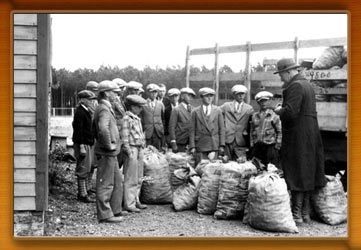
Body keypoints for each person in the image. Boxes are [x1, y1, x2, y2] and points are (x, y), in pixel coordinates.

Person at [273, 58, 326, 224]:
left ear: (288, 71)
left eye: (281, 74)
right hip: (310, 133)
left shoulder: (295, 86)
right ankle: (304, 214)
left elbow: (291, 113)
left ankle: (296, 214)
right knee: (308, 170)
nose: (281, 78)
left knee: (296, 170)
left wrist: (279, 110)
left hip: (298, 135)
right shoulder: (307, 85)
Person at [93, 80, 124, 223]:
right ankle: (105, 214)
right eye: (114, 92)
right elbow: (103, 128)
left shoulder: (105, 107)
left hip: (111, 153)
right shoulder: (104, 108)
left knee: (117, 181)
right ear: (106, 93)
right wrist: (109, 145)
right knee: (106, 183)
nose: (116, 95)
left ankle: (115, 210)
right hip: (107, 152)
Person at [121, 95, 148, 213]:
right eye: (138, 107)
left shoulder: (136, 118)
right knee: (130, 177)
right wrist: (128, 151)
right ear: (132, 107)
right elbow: (125, 137)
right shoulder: (127, 118)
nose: (141, 109)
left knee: (139, 176)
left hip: (139, 148)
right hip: (132, 149)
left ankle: (136, 199)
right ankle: (129, 203)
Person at [72, 90, 97, 203]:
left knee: (88, 167)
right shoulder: (80, 112)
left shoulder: (86, 111)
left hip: (88, 142)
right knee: (83, 168)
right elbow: (78, 131)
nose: (90, 101)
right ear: (82, 99)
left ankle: (86, 190)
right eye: (88, 99)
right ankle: (82, 194)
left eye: (91, 99)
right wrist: (81, 146)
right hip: (83, 143)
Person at [189, 87, 225, 163]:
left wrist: (222, 145)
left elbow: (222, 129)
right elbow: (192, 130)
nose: (209, 98)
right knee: (201, 168)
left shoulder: (218, 110)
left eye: (211, 96)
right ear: (201, 97)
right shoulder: (195, 111)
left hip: (213, 144)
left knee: (212, 169)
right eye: (206, 96)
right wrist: (192, 146)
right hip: (201, 144)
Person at [220, 85, 254, 161]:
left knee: (240, 164)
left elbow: (252, 124)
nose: (241, 96)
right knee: (226, 162)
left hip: (241, 140)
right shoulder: (226, 106)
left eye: (243, 94)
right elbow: (216, 113)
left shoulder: (249, 108)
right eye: (238, 94)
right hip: (228, 138)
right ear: (234, 95)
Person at [250, 91, 282, 168]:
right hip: (258, 146)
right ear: (258, 102)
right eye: (261, 101)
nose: (263, 103)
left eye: (265, 100)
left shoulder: (274, 115)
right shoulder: (255, 116)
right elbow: (252, 130)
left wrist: (277, 145)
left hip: (270, 146)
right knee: (257, 167)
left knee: (271, 168)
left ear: (269, 101)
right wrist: (252, 144)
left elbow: (279, 131)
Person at [168, 87, 196, 152]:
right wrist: (173, 142)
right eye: (188, 95)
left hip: (192, 143)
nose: (190, 98)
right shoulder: (176, 110)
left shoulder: (194, 110)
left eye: (192, 96)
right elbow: (172, 127)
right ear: (182, 97)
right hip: (180, 142)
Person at [140, 83, 165, 150]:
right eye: (151, 92)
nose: (154, 94)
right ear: (147, 92)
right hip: (148, 132)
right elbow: (141, 119)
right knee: (147, 152)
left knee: (158, 151)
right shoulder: (143, 104)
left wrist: (161, 129)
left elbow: (163, 119)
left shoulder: (160, 104)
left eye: (155, 92)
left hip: (158, 132)